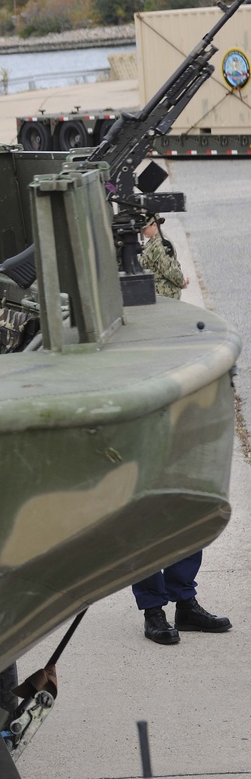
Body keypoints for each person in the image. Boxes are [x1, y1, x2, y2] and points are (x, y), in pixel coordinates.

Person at [132, 217, 229, 644]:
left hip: (173, 372)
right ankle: (154, 610)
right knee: (147, 513)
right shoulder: (118, 266)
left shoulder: (157, 253)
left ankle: (184, 602)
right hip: (138, 394)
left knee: (190, 504)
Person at [140, 217, 188, 297]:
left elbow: (169, 269)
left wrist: (182, 282)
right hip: (159, 293)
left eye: (145, 228)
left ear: (154, 225)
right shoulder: (153, 242)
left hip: (165, 295)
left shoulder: (159, 245)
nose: (142, 231)